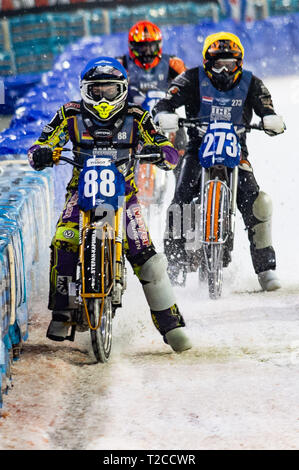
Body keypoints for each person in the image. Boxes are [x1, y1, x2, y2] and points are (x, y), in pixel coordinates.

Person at [27, 56, 192, 353]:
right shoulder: (68, 114)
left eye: (110, 90)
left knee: (147, 256)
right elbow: (43, 142)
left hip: (124, 196)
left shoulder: (137, 116)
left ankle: (171, 323)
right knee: (64, 238)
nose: (103, 97)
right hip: (80, 192)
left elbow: (163, 143)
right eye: (96, 90)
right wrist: (42, 153)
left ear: (123, 90)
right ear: (84, 90)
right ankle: (62, 310)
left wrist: (163, 153)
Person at [152, 31, 285, 291]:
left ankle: (266, 268)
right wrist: (165, 114)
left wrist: (271, 119)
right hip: (197, 150)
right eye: (218, 63)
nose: (224, 69)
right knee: (179, 200)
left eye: (230, 63)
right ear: (206, 62)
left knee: (257, 203)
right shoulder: (190, 78)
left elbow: (268, 110)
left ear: (240, 63)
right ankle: (175, 265)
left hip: (237, 153)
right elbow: (165, 102)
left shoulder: (252, 82)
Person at [116, 20, 187, 161]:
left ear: (158, 45)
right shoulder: (121, 64)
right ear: (132, 47)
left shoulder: (173, 63)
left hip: (165, 116)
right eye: (142, 47)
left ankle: (180, 171)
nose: (147, 52)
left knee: (182, 151)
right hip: (132, 118)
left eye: (151, 47)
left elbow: (188, 87)